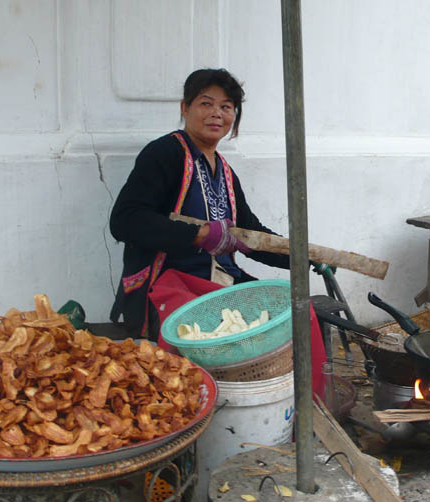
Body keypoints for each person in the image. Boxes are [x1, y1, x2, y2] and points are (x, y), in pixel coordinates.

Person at [109, 68, 326, 390]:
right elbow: (125, 219)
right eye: (206, 103)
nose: (216, 114)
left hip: (220, 283)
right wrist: (197, 235)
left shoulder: (224, 170)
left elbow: (248, 232)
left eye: (226, 107)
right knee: (210, 336)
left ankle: (295, 405)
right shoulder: (165, 153)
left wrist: (302, 256)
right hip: (170, 285)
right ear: (185, 108)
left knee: (299, 312)